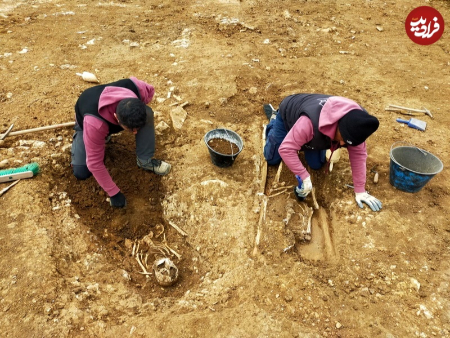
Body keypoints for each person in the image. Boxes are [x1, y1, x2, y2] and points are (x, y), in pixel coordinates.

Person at [263, 93, 382, 212]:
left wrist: (360, 190)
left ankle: (303, 139)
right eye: (342, 139)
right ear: (338, 125)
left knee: (316, 164)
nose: (341, 145)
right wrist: (303, 176)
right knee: (272, 159)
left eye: (346, 143)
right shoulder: (309, 123)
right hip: (289, 117)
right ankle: (274, 120)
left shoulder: (359, 126)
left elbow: (358, 155)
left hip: (317, 131)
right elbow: (286, 149)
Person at [71, 77, 171, 208]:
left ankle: (145, 160)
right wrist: (114, 193)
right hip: (88, 122)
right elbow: (94, 164)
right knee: (81, 171)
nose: (135, 133)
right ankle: (91, 138)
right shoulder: (94, 125)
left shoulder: (136, 87)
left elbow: (150, 92)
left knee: (147, 113)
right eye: (131, 130)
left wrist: (140, 116)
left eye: (137, 129)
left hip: (111, 118)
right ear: (116, 118)